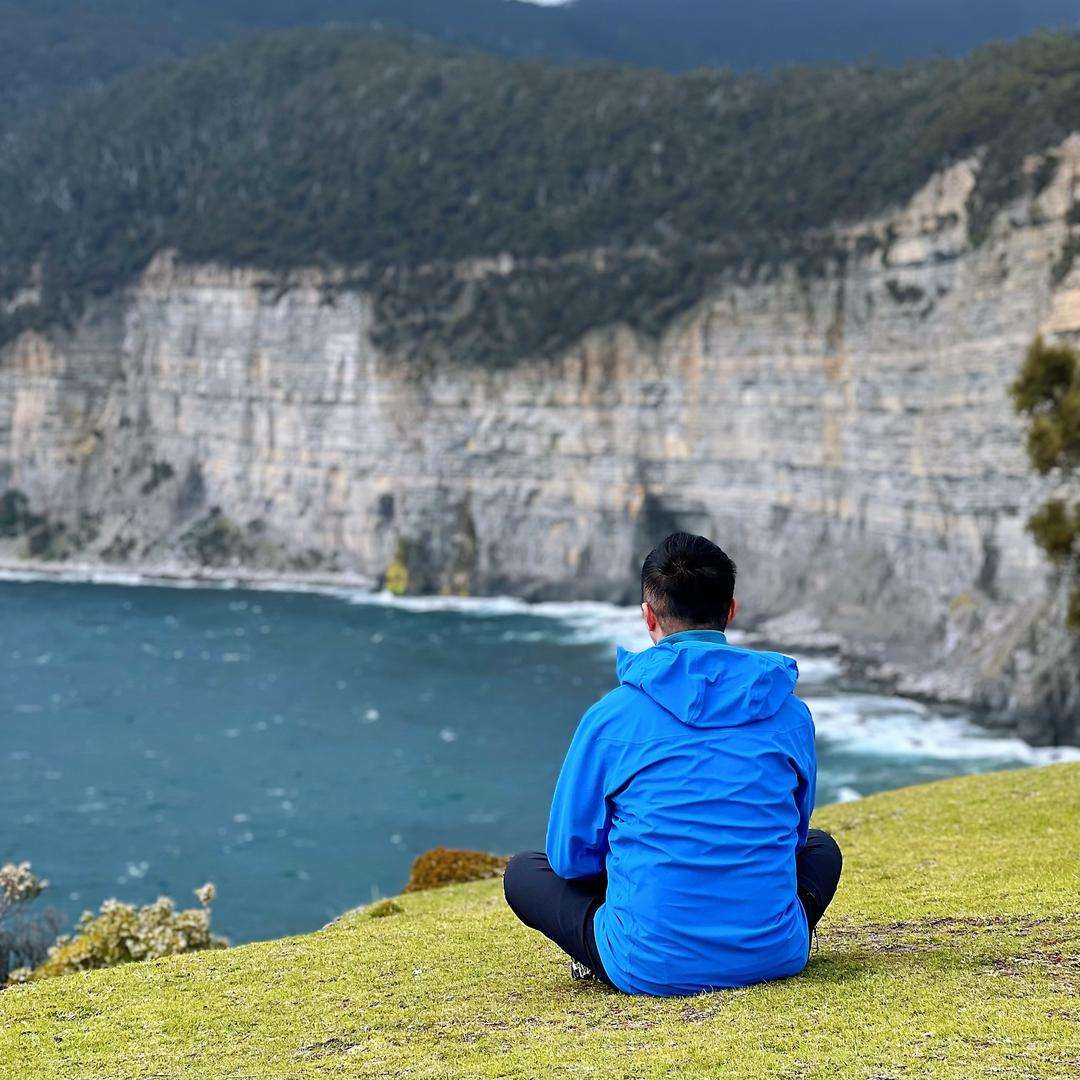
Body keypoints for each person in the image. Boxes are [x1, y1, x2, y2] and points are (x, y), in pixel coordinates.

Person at [503, 532, 842, 997]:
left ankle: (626, 944)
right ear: (730, 611)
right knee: (823, 850)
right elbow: (795, 836)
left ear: (648, 616)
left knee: (525, 871)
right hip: (773, 952)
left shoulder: (611, 717)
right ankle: (762, 934)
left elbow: (569, 858)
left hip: (648, 964)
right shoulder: (791, 713)